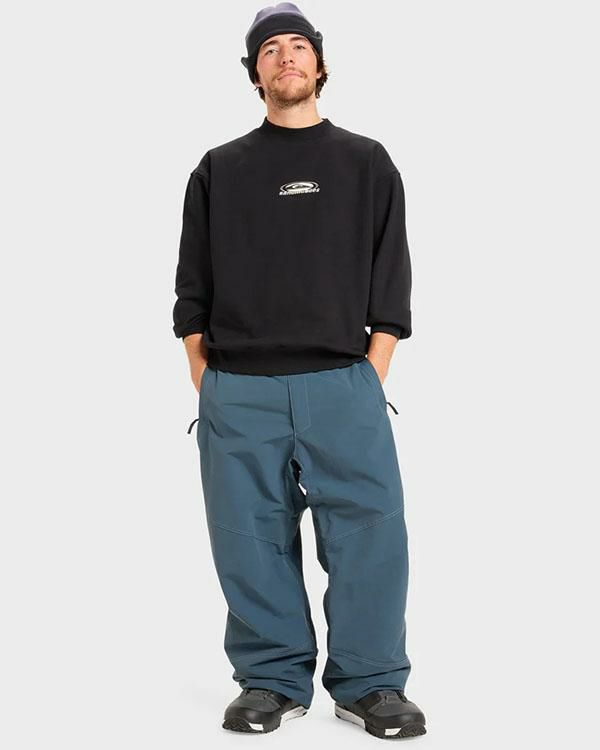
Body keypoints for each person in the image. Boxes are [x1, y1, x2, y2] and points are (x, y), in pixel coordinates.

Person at [172, 2, 427, 739]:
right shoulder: (219, 169)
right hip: (238, 390)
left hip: (344, 382)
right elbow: (192, 290)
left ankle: (372, 684)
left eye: (299, 46)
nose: (286, 56)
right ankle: (271, 679)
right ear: (254, 73)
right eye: (270, 49)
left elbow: (391, 279)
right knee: (247, 540)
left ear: (319, 63)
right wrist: (208, 381)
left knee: (371, 537)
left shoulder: (365, 162)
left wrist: (371, 375)